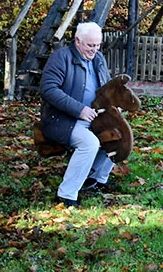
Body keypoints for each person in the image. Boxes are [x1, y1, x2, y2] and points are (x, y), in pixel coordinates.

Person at [39, 21, 114, 206]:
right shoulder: (61, 57)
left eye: (98, 45)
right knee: (90, 143)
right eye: (90, 45)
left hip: (95, 116)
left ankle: (96, 179)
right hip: (63, 120)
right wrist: (79, 110)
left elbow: (108, 87)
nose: (94, 50)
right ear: (77, 41)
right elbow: (48, 89)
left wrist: (113, 105)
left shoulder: (99, 59)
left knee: (118, 136)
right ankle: (66, 195)